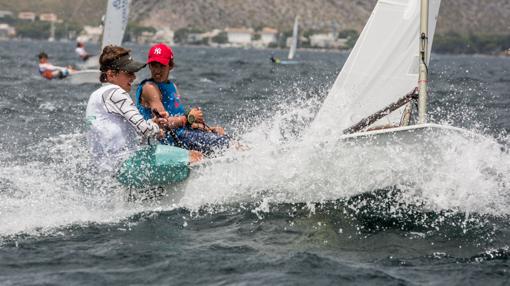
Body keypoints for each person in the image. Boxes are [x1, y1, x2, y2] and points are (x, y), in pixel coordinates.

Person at [85, 45, 202, 186]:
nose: (134, 77)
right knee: (194, 155)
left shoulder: (96, 95)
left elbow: (129, 133)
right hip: (126, 166)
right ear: (111, 75)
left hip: (106, 170)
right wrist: (157, 127)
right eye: (128, 73)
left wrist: (153, 122)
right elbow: (145, 130)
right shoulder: (117, 93)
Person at [135, 43, 230, 156]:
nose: (157, 70)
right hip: (171, 142)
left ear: (170, 66)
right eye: (154, 65)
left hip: (184, 135)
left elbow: (181, 121)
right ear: (149, 66)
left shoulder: (172, 86)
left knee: (225, 137)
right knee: (227, 144)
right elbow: (162, 123)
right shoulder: (149, 88)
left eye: (161, 65)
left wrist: (206, 128)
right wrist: (189, 118)